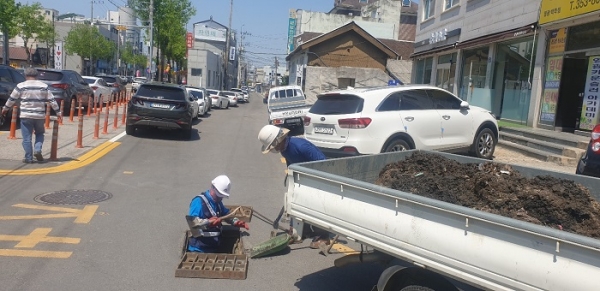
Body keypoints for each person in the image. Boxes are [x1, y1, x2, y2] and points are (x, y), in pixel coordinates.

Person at [257, 124, 330, 249]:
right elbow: (291, 164)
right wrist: (292, 180)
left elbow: (324, 164)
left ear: (278, 140)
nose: (274, 149)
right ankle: (301, 231)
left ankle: (324, 236)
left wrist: (317, 184)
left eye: (273, 145)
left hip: (319, 179)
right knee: (298, 203)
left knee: (317, 206)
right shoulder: (284, 149)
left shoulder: (301, 146)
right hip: (303, 179)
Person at [1, 67, 61, 163]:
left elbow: (11, 99)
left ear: (25, 75)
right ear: (36, 75)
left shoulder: (20, 86)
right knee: (40, 133)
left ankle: (28, 158)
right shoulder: (43, 86)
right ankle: (37, 149)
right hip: (39, 115)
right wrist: (58, 113)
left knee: (27, 138)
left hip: (25, 115)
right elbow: (52, 100)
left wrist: (5, 109)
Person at [186, 175, 249, 253]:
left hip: (214, 246)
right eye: (219, 195)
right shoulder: (198, 202)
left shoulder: (218, 202)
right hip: (199, 248)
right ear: (213, 188)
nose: (221, 198)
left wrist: (235, 221)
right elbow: (193, 223)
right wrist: (208, 222)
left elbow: (226, 214)